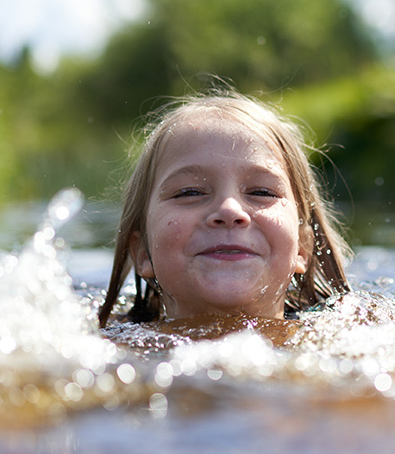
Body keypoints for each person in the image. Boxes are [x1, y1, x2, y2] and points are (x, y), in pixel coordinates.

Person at [97, 90, 351, 329]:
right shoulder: (107, 351)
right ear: (143, 252)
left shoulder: (348, 345)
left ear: (302, 247)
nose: (229, 211)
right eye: (190, 193)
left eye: (261, 192)